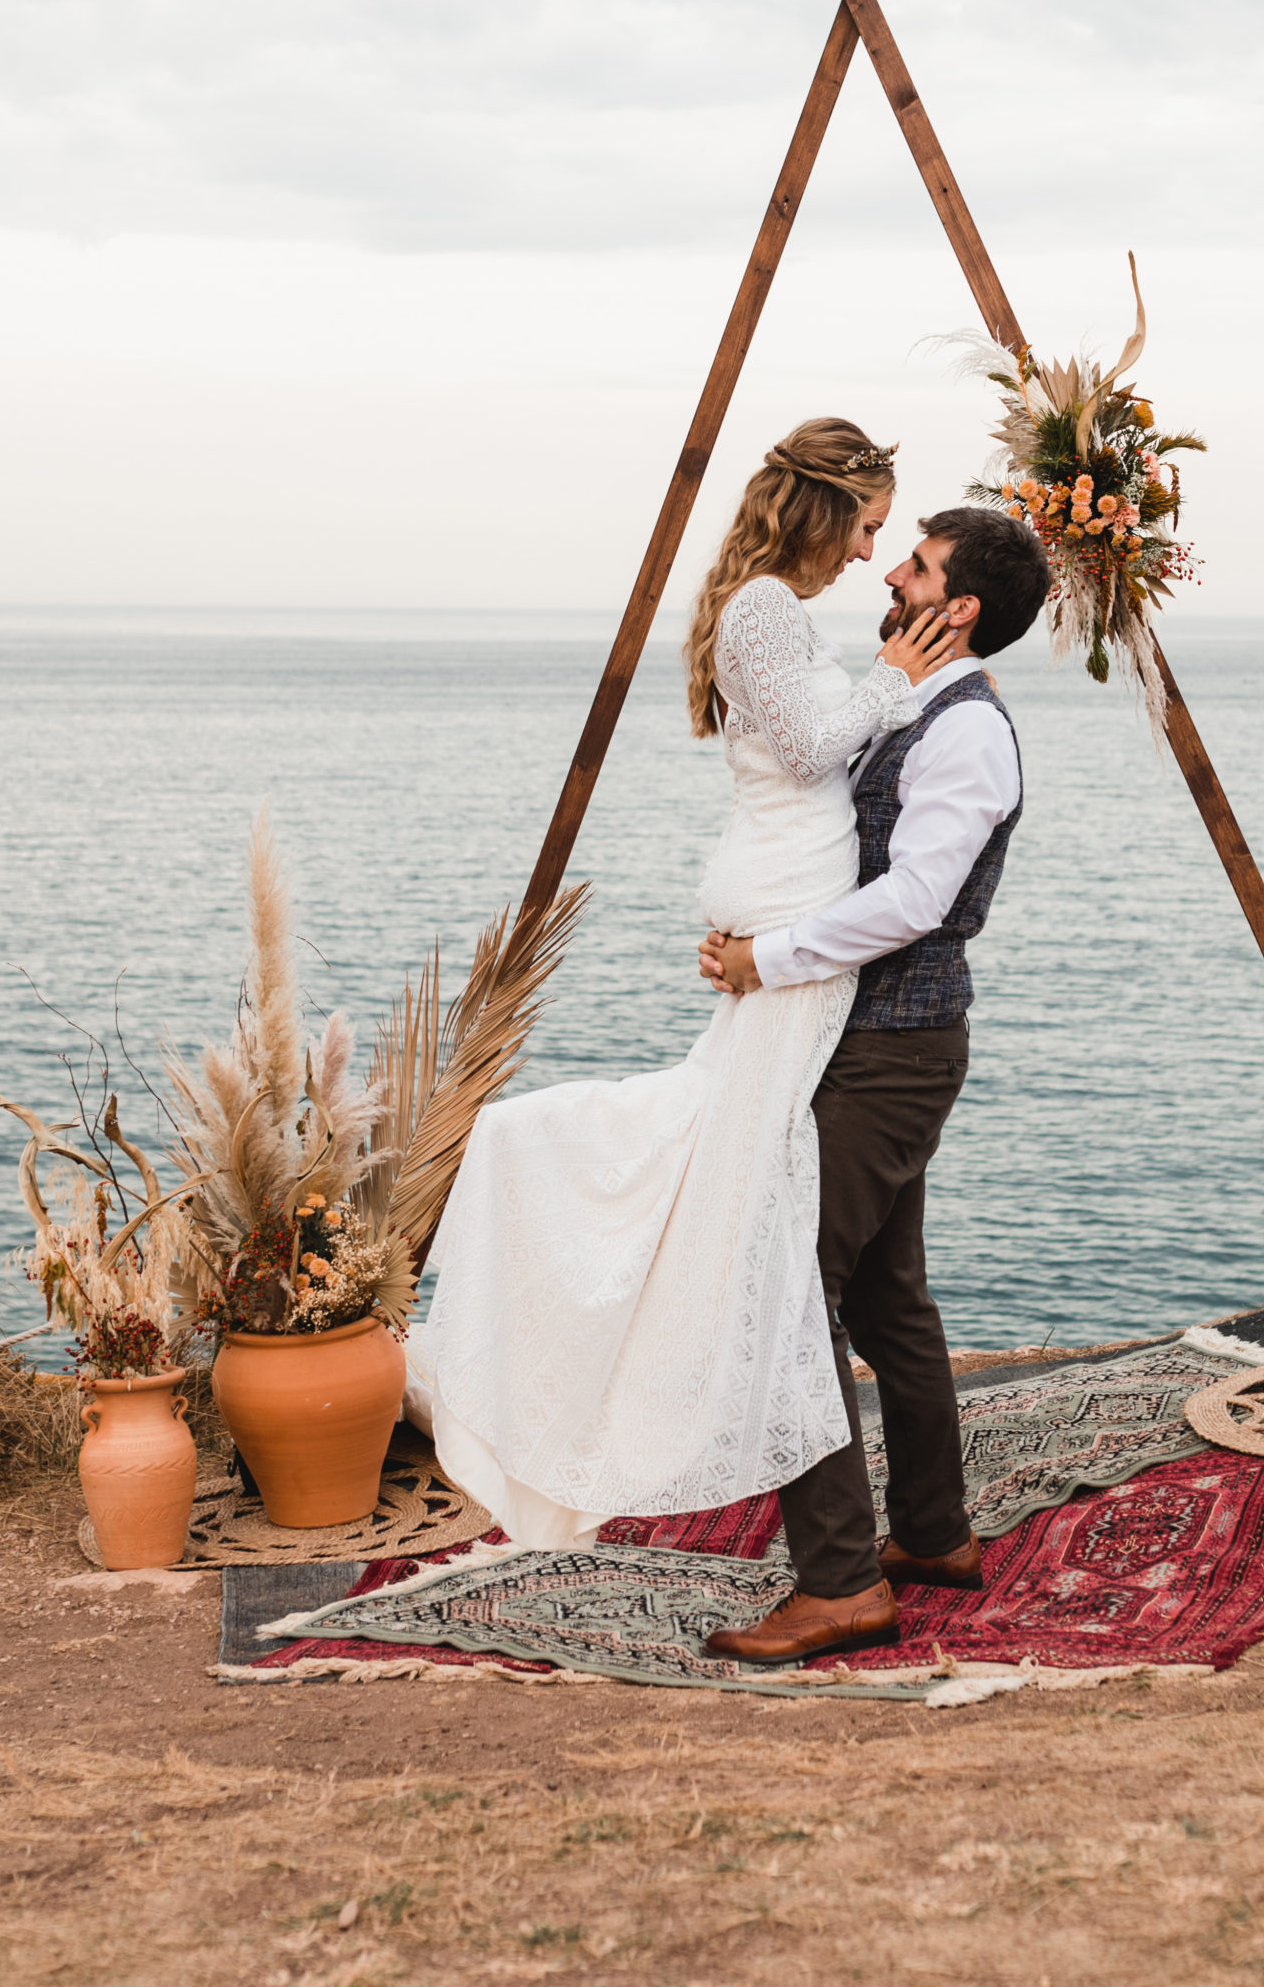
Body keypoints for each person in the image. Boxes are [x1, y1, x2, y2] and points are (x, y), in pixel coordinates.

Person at [409, 419, 959, 1547]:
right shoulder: (763, 608)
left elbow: (818, 745)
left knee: (748, 1156)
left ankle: (877, 1520)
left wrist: (885, 689)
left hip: (794, 902)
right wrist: (897, 678)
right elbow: (813, 751)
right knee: (736, 1167)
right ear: (823, 509)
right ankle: (554, 1214)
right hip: (793, 905)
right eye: (865, 525)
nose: (869, 553)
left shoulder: (773, 611)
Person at [695, 504, 1051, 1664]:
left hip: (893, 1052)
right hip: (874, 1038)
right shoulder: (916, 705)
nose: (888, 572)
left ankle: (841, 1581)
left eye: (918, 564)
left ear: (961, 610)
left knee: (792, 1295)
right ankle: (936, 1536)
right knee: (891, 1297)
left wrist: (768, 957)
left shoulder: (968, 735)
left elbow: (915, 903)